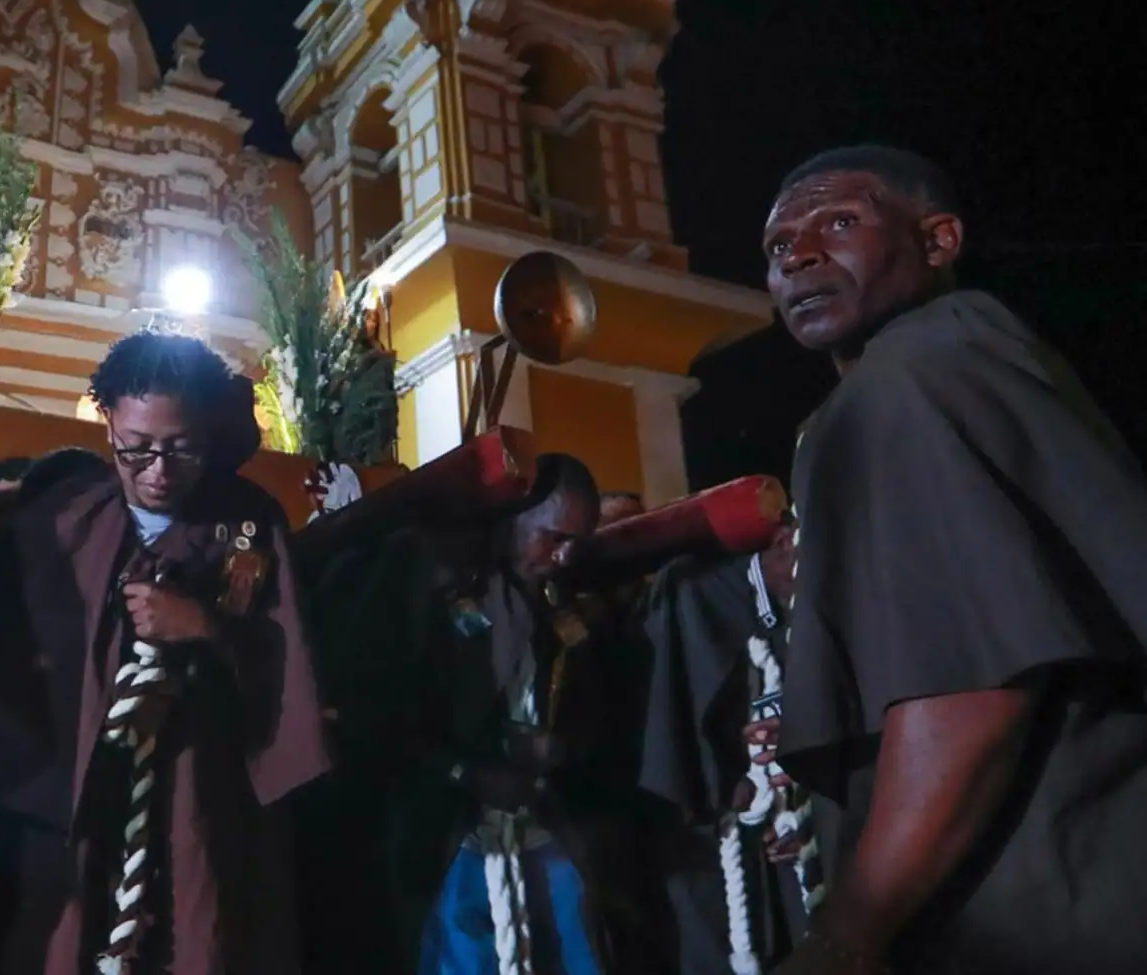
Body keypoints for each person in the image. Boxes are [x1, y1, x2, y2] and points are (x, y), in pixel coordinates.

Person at [761, 145, 1147, 974]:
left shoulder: (911, 375)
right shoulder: (956, 361)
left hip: (1029, 908)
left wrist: (849, 933)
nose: (798, 254)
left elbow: (969, 688)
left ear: (938, 241)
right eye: (778, 246)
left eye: (837, 221)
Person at [0, 331, 329, 974]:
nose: (158, 473)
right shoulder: (65, 519)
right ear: (108, 421)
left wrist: (204, 628)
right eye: (136, 450)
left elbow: (287, 669)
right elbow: (16, 659)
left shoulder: (247, 521)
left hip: (200, 790)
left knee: (198, 935)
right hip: (78, 793)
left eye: (182, 450)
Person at [373, 453, 646, 975]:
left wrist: (559, 748)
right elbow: (390, 716)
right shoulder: (438, 592)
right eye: (553, 538)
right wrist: (467, 772)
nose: (563, 557)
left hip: (540, 826)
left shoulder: (560, 607)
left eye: (575, 544)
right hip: (450, 837)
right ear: (515, 521)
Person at [638, 513, 817, 973]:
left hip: (796, 823)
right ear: (783, 543)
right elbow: (678, 724)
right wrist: (723, 780)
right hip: (723, 827)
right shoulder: (695, 593)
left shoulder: (811, 605)